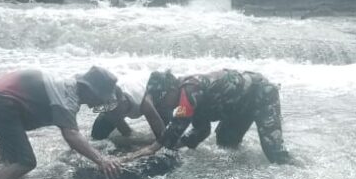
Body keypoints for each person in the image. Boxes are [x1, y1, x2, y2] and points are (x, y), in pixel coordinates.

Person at [0, 65, 122, 179]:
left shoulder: (68, 87)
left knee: (11, 154)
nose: (100, 102)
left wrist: (83, 154)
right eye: (101, 97)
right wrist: (101, 160)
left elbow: (72, 136)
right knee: (26, 161)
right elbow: (71, 135)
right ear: (90, 90)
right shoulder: (67, 99)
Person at [123, 69, 290, 164]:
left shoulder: (190, 90)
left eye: (162, 100)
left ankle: (294, 175)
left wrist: (152, 148)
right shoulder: (188, 99)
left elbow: (178, 123)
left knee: (274, 153)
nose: (163, 106)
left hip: (261, 94)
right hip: (238, 107)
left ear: (171, 90)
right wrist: (177, 146)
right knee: (225, 142)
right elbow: (201, 131)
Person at [90, 74, 168, 142]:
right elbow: (127, 133)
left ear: (124, 102)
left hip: (157, 94)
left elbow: (162, 137)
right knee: (97, 135)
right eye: (108, 110)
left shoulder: (143, 102)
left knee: (164, 134)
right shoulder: (110, 110)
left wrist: (152, 144)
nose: (112, 113)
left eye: (113, 110)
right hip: (120, 91)